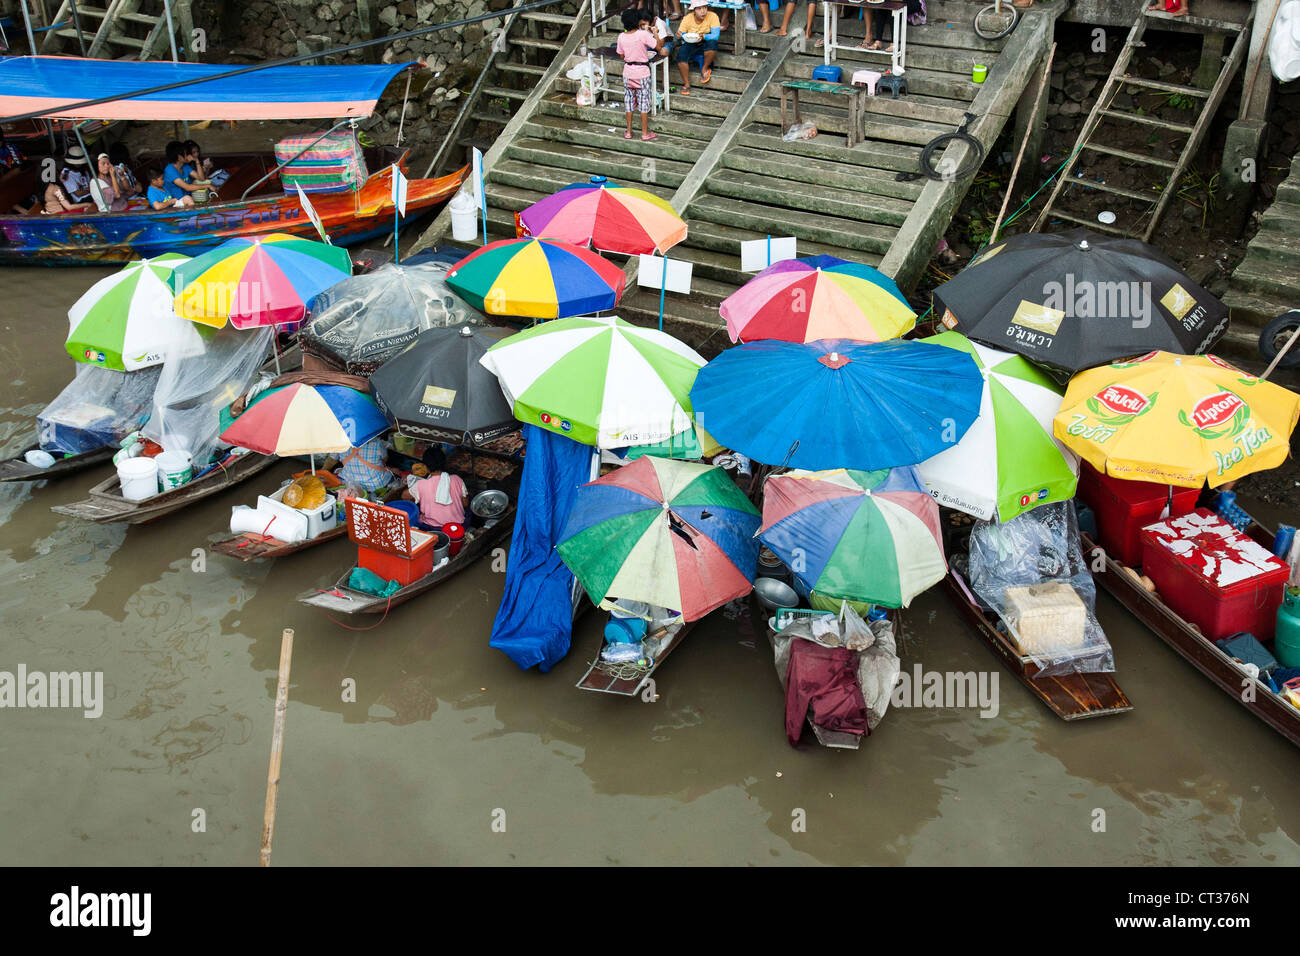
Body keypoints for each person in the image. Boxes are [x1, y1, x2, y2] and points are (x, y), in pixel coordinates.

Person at [618, 8, 664, 141]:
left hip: (628, 72)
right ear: (637, 22)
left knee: (629, 101)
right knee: (644, 102)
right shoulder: (642, 35)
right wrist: (655, 32)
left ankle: (628, 131)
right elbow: (658, 47)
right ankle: (644, 133)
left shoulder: (621, 36)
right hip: (642, 72)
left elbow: (622, 55)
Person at [401, 446, 468, 530]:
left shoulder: (421, 484)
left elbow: (404, 496)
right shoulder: (457, 479)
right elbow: (465, 504)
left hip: (432, 527)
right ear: (445, 463)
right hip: (457, 527)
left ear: (426, 467)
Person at [675, 0, 720, 96]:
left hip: (706, 41)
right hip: (691, 42)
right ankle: (686, 83)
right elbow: (681, 33)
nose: (703, 11)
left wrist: (703, 36)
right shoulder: (687, 18)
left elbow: (715, 36)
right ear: (694, 10)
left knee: (713, 44)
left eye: (705, 8)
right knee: (681, 56)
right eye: (699, 9)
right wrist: (679, 35)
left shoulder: (713, 16)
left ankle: (704, 68)